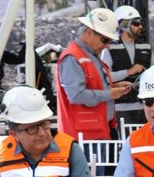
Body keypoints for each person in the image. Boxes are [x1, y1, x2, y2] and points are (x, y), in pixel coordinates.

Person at [57, 8, 133, 140]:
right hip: (84, 136)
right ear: (89, 32)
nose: (107, 46)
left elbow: (93, 85)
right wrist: (110, 94)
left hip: (98, 131)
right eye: (105, 40)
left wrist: (114, 86)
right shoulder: (73, 58)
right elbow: (76, 95)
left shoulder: (90, 55)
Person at [101, 5, 152, 125]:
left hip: (143, 107)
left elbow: (152, 73)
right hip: (119, 109)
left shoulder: (146, 47)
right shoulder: (109, 48)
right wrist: (128, 72)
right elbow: (104, 77)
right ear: (123, 24)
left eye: (141, 24)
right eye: (136, 23)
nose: (140, 27)